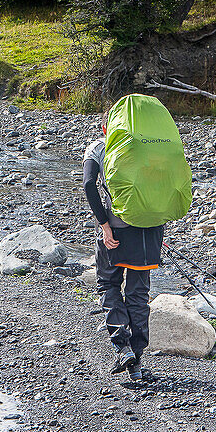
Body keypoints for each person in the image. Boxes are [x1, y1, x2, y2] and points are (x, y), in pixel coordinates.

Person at [83, 112, 163, 381]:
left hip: (116, 230)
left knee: (108, 285)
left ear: (106, 126)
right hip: (149, 230)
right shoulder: (150, 145)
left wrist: (104, 225)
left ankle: (123, 347)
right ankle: (137, 362)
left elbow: (88, 185)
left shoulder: (99, 146)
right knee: (139, 293)